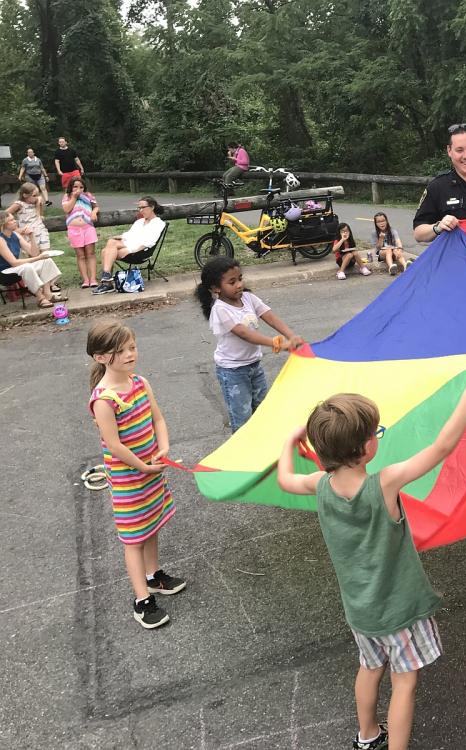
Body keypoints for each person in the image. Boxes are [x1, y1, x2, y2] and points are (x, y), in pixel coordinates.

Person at [276, 371, 466, 750]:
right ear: (365, 450)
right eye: (375, 433)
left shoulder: (319, 486)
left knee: (370, 666)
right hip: (399, 611)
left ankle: (366, 735)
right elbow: (442, 447)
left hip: (361, 612)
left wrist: (288, 442)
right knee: (404, 681)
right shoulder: (385, 484)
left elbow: (285, 480)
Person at [86, 318, 187, 630]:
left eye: (132, 347)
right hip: (130, 479)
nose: (131, 354)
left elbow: (158, 419)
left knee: (152, 523)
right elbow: (114, 445)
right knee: (133, 538)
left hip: (152, 472)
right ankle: (142, 600)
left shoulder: (140, 383)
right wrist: (143, 465)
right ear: (101, 357)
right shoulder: (104, 399)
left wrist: (164, 447)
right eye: (122, 350)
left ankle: (153, 575)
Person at [195, 256, 305, 432]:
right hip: (232, 372)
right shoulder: (220, 309)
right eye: (232, 282)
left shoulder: (248, 298)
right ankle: (241, 455)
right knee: (242, 418)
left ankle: (262, 448)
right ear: (216, 288)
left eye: (240, 279)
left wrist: (291, 336)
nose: (239, 284)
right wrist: (277, 343)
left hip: (254, 366)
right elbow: (244, 333)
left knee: (262, 410)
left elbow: (269, 316)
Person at [92, 197, 167, 295]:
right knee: (111, 241)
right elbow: (129, 235)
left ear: (152, 207)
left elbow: (150, 242)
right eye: (139, 208)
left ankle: (107, 282)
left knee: (105, 251)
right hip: (129, 244)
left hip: (140, 251)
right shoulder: (139, 222)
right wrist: (119, 237)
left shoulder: (158, 223)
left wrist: (133, 250)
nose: (141, 210)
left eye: (143, 207)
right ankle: (106, 277)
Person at [0, 213, 65, 308]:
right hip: (5, 272)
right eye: (11, 220)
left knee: (46, 261)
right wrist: (38, 258)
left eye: (14, 219)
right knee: (27, 267)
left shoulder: (15, 235)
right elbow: (13, 262)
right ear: (4, 224)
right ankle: (40, 298)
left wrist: (31, 236)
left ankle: (48, 294)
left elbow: (34, 253)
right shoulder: (1, 240)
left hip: (16, 268)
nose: (15, 221)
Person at [62, 177, 99, 288]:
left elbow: (96, 206)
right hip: (74, 229)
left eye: (81, 187)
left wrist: (94, 212)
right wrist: (74, 197)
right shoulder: (67, 197)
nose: (78, 189)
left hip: (88, 227)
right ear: (71, 187)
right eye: (75, 187)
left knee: (90, 253)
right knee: (81, 255)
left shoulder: (88, 196)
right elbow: (67, 209)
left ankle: (93, 278)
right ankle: (85, 279)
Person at [6, 182, 51, 252]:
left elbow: (39, 215)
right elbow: (5, 214)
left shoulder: (35, 202)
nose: (37, 197)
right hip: (29, 234)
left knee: (46, 254)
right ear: (25, 195)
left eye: (38, 194)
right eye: (34, 195)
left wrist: (39, 204)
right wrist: (15, 228)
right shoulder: (19, 204)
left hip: (41, 231)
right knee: (33, 256)